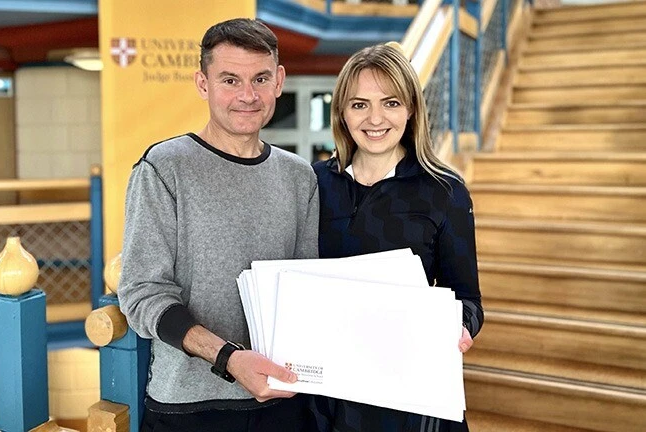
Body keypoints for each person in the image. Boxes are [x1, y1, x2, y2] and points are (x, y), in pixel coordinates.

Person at [116, 18, 319, 432]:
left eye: (260, 78)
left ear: (279, 81)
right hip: (190, 408)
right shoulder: (163, 168)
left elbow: (305, 290)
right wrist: (228, 358)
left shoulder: (300, 177)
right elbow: (142, 295)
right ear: (203, 83)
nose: (248, 95)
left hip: (284, 400)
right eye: (230, 80)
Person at [311, 43, 484, 432]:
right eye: (359, 105)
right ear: (341, 111)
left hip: (409, 397)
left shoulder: (445, 191)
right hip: (328, 396)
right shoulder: (315, 183)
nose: (375, 118)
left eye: (390, 103)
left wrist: (459, 325)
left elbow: (468, 299)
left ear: (411, 109)